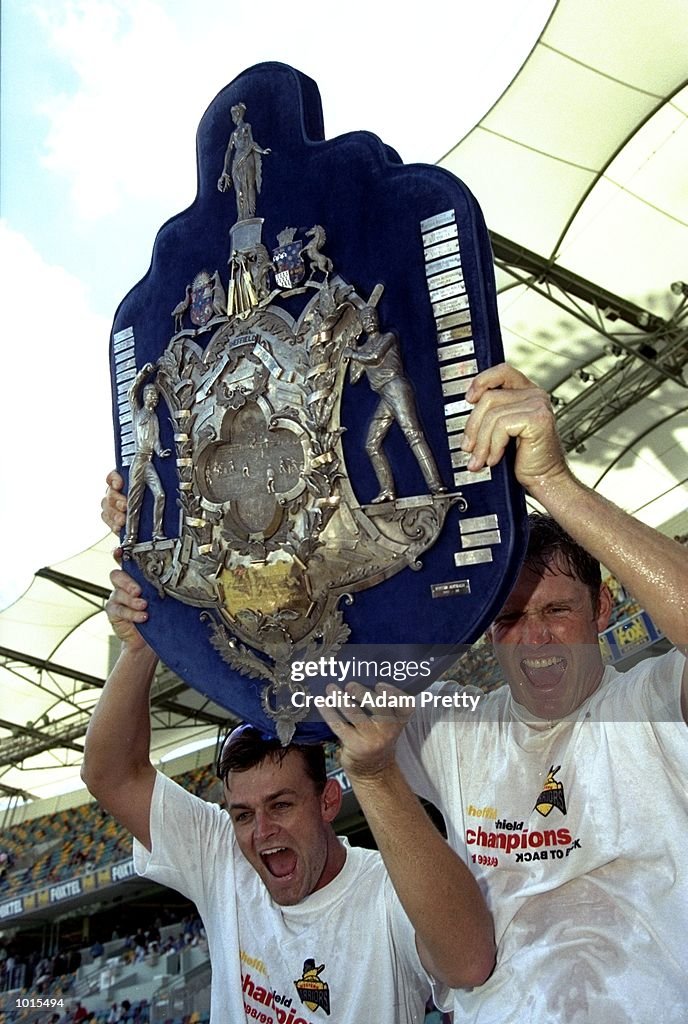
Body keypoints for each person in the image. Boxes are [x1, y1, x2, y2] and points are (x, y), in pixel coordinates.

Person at [323, 363, 687, 1022]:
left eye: (557, 610)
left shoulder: (653, 703)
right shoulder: (456, 724)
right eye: (511, 619)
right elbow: (308, 667)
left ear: (604, 607)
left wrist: (552, 483)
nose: (535, 639)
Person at [82, 554, 494, 1022]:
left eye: (281, 805)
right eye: (242, 813)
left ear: (328, 801)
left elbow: (469, 962)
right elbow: (109, 775)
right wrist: (141, 650)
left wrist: (376, 773)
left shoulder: (385, 892)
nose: (260, 831)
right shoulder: (223, 860)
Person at [343, 306, 445, 501]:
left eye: (372, 316)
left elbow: (375, 358)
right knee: (371, 444)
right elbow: (355, 378)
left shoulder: (387, 337)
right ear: (362, 325)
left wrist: (354, 354)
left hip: (396, 388)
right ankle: (387, 490)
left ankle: (436, 486)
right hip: (384, 395)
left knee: (413, 435)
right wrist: (353, 351)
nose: (370, 320)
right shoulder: (362, 349)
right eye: (365, 319)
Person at [123, 363, 171, 550]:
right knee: (134, 500)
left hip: (149, 460)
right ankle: (130, 537)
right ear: (145, 397)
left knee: (160, 494)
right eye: (150, 394)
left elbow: (156, 440)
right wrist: (144, 373)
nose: (153, 397)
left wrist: (161, 452)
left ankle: (157, 532)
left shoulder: (154, 418)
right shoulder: (137, 411)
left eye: (155, 395)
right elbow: (131, 391)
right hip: (138, 461)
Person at [217, 102, 271, 221]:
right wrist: (224, 171)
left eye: (233, 115)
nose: (232, 118)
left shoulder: (247, 127)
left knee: (250, 185)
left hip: (247, 157)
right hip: (236, 162)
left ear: (238, 114)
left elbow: (251, 143)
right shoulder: (233, 134)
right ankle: (241, 216)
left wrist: (262, 151)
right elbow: (228, 151)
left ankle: (251, 212)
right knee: (239, 190)